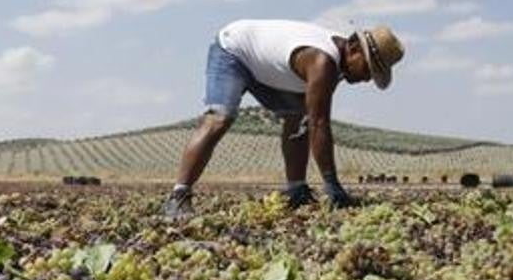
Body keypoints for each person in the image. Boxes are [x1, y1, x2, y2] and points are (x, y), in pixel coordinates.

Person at [161, 19, 404, 219]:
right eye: (368, 69)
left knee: (300, 118)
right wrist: (332, 184)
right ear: (353, 49)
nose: (366, 79)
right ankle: (178, 197)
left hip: (267, 69)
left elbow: (311, 119)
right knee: (220, 118)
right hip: (234, 51)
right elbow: (321, 123)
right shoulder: (323, 62)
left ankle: (296, 190)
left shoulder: (340, 64)